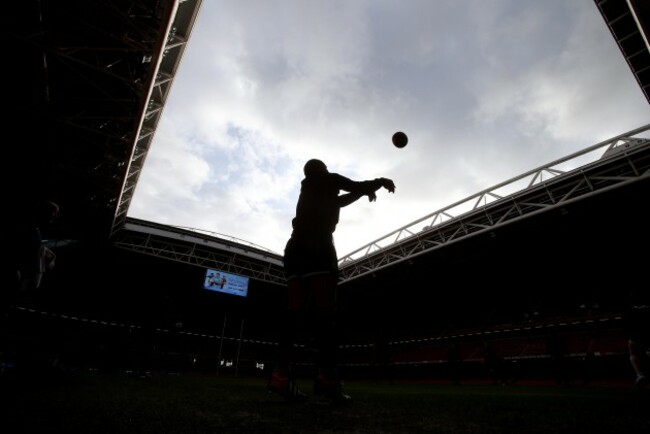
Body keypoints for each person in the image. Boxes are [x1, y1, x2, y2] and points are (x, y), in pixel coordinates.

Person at [268, 159, 395, 403]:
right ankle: (327, 379)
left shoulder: (309, 192)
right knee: (326, 315)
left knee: (292, 315)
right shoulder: (329, 179)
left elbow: (341, 201)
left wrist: (365, 192)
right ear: (323, 169)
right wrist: (379, 182)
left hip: (294, 248)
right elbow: (353, 186)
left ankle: (280, 377)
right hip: (318, 247)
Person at [624, 289, 650, 390]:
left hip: (635, 336)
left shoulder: (630, 309)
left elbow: (627, 325)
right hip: (645, 335)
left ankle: (640, 375)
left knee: (633, 354)